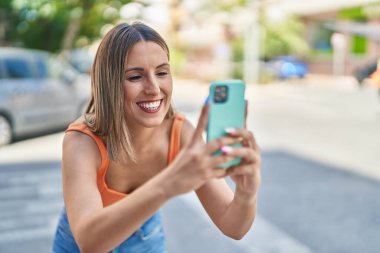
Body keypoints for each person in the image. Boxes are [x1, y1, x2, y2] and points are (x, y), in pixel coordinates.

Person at [52, 21, 261, 253]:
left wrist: (246, 192)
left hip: (146, 239)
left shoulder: (180, 133)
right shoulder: (82, 140)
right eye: (135, 77)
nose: (153, 88)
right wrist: (170, 183)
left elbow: (234, 227)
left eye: (162, 73)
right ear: (108, 83)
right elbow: (90, 243)